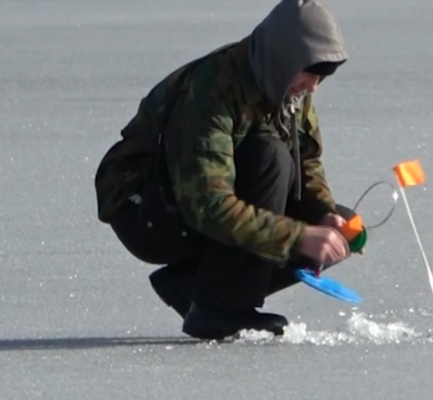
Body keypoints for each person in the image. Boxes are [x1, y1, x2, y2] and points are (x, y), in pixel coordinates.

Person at [93, 0, 358, 340]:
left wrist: (321, 214)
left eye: (322, 76)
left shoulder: (287, 84)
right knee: (270, 157)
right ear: (284, 57)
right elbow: (207, 204)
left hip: (199, 203)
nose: (314, 87)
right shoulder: (211, 92)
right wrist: (298, 236)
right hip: (148, 209)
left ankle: (192, 285)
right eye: (310, 72)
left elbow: (305, 160)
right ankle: (220, 309)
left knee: (339, 230)